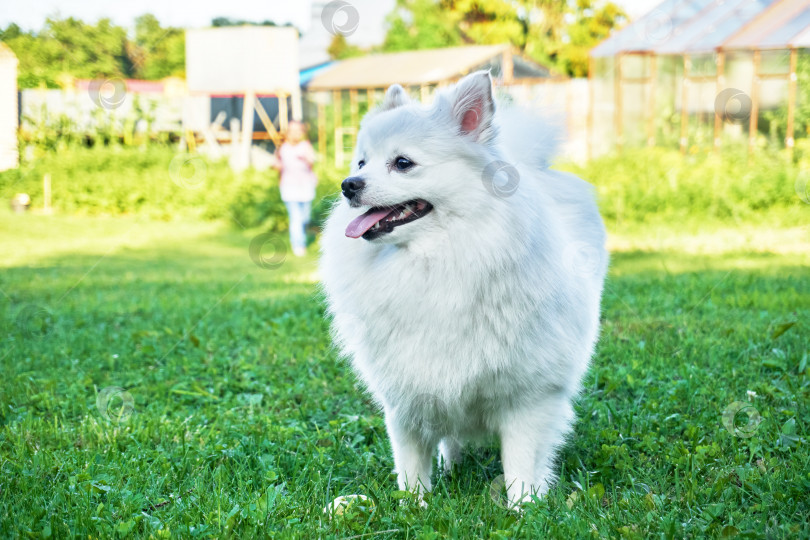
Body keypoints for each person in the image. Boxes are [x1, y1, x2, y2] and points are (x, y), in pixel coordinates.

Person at [273, 121, 318, 257]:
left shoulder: (306, 146)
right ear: (288, 132)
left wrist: (305, 159)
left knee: (305, 217)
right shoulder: (282, 148)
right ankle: (298, 245)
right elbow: (276, 164)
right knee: (295, 218)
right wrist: (277, 166)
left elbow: (312, 163)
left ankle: (301, 237)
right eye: (293, 131)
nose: (296, 133)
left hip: (305, 187)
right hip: (289, 187)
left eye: (299, 131)